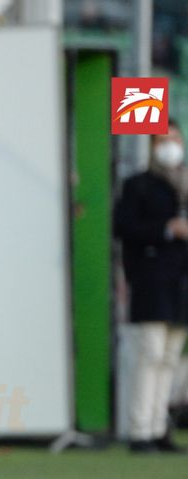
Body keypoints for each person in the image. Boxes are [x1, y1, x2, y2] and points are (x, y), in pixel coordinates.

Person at [114, 119, 188, 453]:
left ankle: (159, 427)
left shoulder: (183, 184)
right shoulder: (138, 185)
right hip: (151, 280)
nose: (172, 145)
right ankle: (140, 429)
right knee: (150, 352)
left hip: (181, 281)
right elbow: (124, 227)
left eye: (176, 138)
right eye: (165, 139)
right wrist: (167, 229)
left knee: (171, 355)